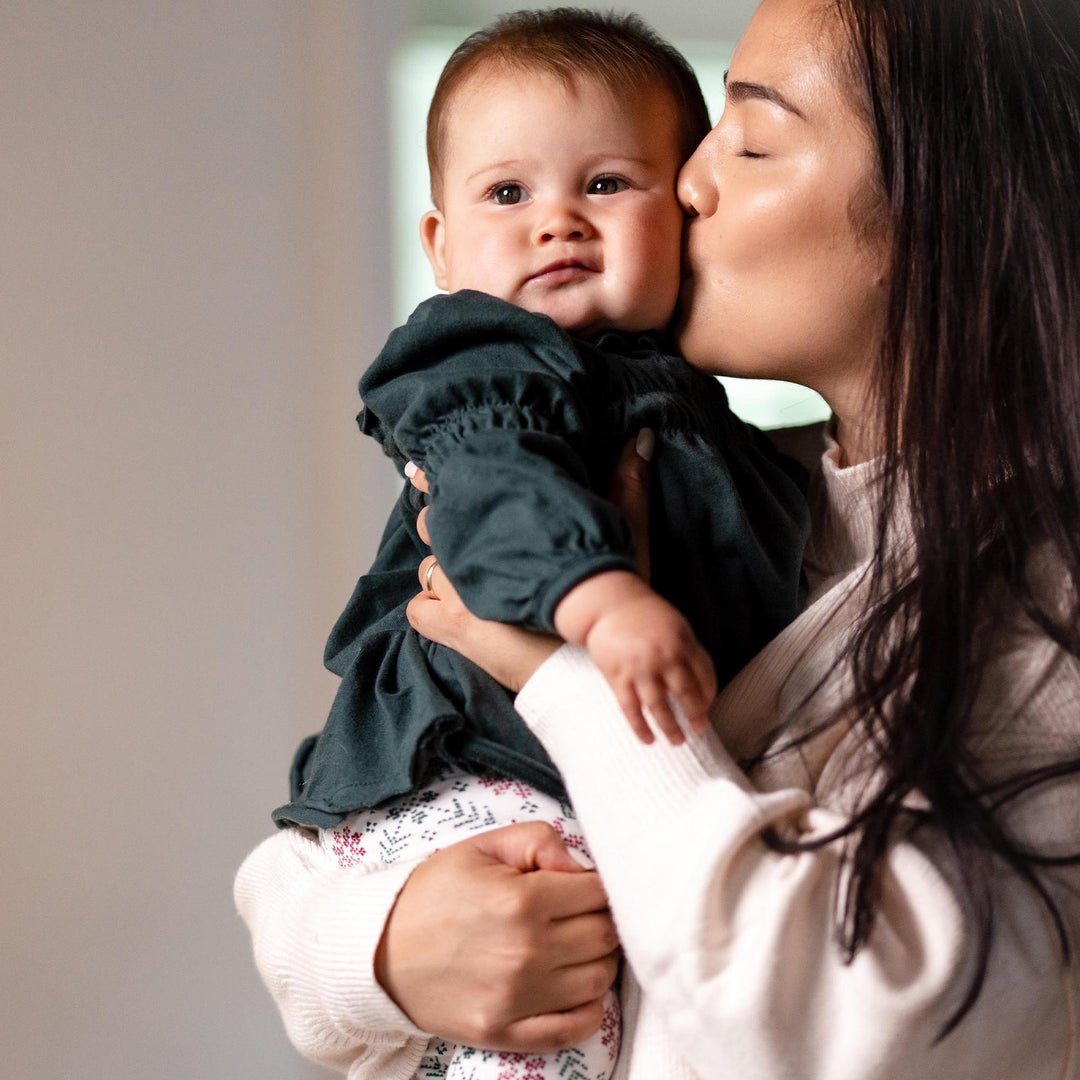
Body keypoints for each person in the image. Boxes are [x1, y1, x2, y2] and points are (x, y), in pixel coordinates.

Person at [235, 0, 1080, 1077]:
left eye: (750, 135)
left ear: (959, 207)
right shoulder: (712, 488)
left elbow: (853, 1021)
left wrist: (570, 676)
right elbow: (287, 875)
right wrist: (384, 949)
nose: (684, 182)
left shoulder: (1038, 609)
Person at [252, 9, 807, 1080]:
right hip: (466, 774)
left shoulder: (695, 409)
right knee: (548, 1019)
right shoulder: (488, 365)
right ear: (442, 247)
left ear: (685, 211)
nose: (557, 223)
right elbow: (499, 495)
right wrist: (603, 600)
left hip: (568, 778)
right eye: (508, 194)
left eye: (606, 185)